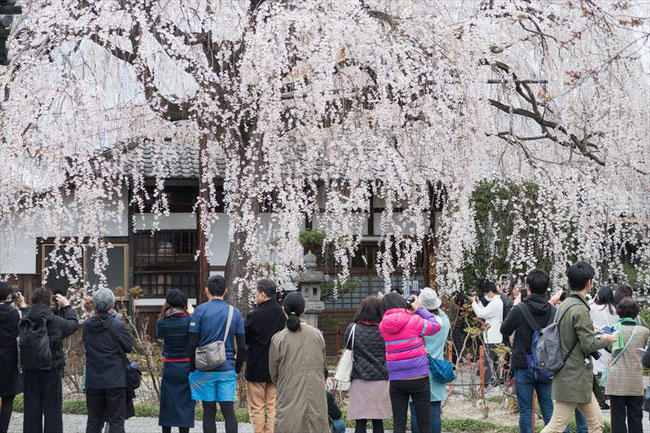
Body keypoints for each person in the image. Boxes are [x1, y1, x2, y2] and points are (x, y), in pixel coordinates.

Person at [540, 261, 618, 433]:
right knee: (556, 426)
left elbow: (570, 334)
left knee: (597, 423)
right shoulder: (580, 309)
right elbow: (588, 345)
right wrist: (606, 338)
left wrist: (591, 330)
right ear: (589, 282)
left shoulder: (566, 304)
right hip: (573, 377)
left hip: (576, 376)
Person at [189, 275, 246, 433]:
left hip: (204, 368)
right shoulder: (235, 313)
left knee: (208, 412)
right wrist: (237, 368)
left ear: (206, 290)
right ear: (226, 291)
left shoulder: (199, 311)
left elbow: (193, 343)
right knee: (229, 412)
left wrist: (192, 367)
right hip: (227, 367)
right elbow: (242, 346)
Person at [379, 292, 440, 433]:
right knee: (424, 423)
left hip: (396, 379)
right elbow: (435, 326)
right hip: (419, 377)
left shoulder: (383, 325)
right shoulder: (413, 320)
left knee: (399, 424)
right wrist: (418, 309)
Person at [269, 292, 329, 433]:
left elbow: (274, 373)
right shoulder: (317, 335)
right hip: (316, 396)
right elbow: (323, 368)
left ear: (284, 310)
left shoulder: (278, 339)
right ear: (304, 311)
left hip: (288, 395)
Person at [21, 287, 79, 433]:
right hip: (51, 368)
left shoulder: (25, 319)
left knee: (31, 409)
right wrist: (67, 306)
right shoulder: (56, 322)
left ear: (33, 301)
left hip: (30, 368)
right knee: (53, 409)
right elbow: (73, 323)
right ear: (49, 302)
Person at [82, 288, 134, 433]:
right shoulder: (117, 325)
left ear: (95, 305)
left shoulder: (86, 325)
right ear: (112, 304)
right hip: (115, 379)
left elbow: (86, 346)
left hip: (94, 379)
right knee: (116, 420)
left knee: (93, 420)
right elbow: (128, 347)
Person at [244, 279, 286, 433]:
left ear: (262, 294)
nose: (255, 295)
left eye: (256, 292)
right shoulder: (283, 314)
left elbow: (245, 339)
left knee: (257, 407)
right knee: (273, 406)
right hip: (277, 366)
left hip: (256, 366)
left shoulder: (253, 315)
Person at [344, 296, 390, 433]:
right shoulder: (385, 330)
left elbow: (348, 348)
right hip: (380, 378)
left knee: (360, 421)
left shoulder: (353, 329)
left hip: (359, 378)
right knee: (378, 421)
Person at [603, 297, 650, 433]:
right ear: (636, 313)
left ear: (619, 312)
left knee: (617, 418)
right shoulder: (644, 332)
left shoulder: (612, 330)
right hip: (635, 379)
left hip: (616, 380)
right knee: (636, 417)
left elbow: (608, 348)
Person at [409, 288, 450, 433]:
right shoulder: (444, 322)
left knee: (415, 411)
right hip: (437, 368)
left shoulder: (417, 322)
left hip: (417, 368)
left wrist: (416, 305)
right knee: (434, 411)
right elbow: (441, 313)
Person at [156, 289, 195, 433]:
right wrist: (192, 313)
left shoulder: (162, 321)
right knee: (185, 402)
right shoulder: (189, 320)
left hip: (170, 364)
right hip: (185, 364)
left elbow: (159, 335)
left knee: (168, 401)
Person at [0, 283, 27, 433]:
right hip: (8, 360)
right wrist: (22, 305)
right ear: (9, 296)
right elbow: (27, 321)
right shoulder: (14, 314)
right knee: (8, 398)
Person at [589, 284, 618, 410]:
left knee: (597, 368)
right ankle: (609, 395)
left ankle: (599, 399)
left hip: (598, 339)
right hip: (613, 340)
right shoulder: (615, 309)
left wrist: (593, 298)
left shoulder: (594, 308)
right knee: (608, 366)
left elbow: (588, 305)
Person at [468, 280, 503, 386]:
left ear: (490, 293)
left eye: (485, 294)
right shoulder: (496, 302)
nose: (485, 296)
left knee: (487, 362)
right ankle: (495, 381)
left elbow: (480, 314)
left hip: (492, 337)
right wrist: (478, 302)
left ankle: (485, 384)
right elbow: (486, 313)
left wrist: (473, 302)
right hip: (496, 336)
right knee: (495, 361)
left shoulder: (495, 303)